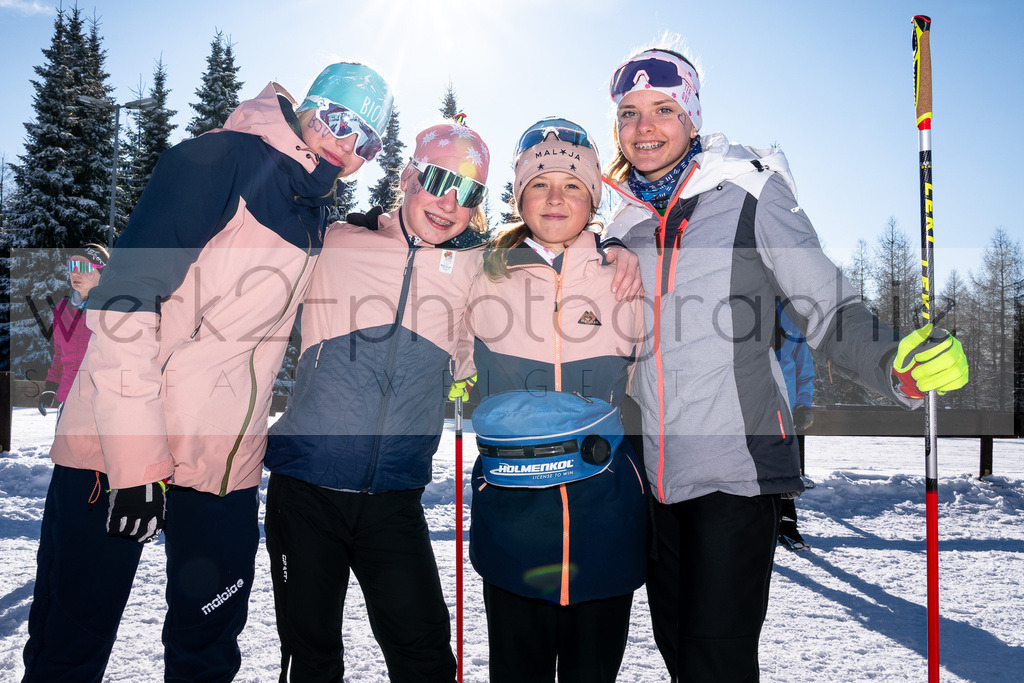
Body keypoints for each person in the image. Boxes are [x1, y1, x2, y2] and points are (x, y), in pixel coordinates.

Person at [601, 46, 969, 682]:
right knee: (677, 652)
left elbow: (826, 304)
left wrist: (894, 363)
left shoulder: (749, 191)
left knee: (717, 658)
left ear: (691, 117)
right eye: (630, 113)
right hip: (654, 477)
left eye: (663, 108)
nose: (645, 127)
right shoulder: (622, 222)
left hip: (738, 469)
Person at [25, 62, 393, 682]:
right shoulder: (216, 161)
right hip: (114, 449)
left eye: (365, 138)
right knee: (70, 643)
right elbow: (124, 304)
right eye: (334, 117)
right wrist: (135, 462)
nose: (344, 141)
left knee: (209, 649)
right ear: (305, 108)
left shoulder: (312, 212)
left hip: (223, 463)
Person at [262, 120, 491, 683]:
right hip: (307, 489)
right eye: (439, 180)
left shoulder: (472, 270)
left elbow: (478, 350)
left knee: (426, 655)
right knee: (310, 657)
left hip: (394, 497)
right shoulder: (338, 242)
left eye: (468, 193)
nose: (448, 203)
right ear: (410, 176)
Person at [462, 117, 647, 682]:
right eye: (539, 184)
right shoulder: (483, 272)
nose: (555, 197)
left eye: (572, 184)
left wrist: (618, 246)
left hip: (606, 520)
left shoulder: (626, 275)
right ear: (520, 196)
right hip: (514, 519)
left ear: (593, 196)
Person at [38, 243, 109, 416]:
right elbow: (60, 354)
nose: (75, 273)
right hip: (68, 401)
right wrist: (51, 387)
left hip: (103, 404)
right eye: (71, 266)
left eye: (83, 267)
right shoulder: (62, 309)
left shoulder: (114, 309)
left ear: (102, 271)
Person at [774, 302, 815, 551]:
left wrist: (803, 404)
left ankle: (787, 525)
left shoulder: (793, 315)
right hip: (747, 408)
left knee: (787, 473)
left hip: (784, 410)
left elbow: (804, 366)